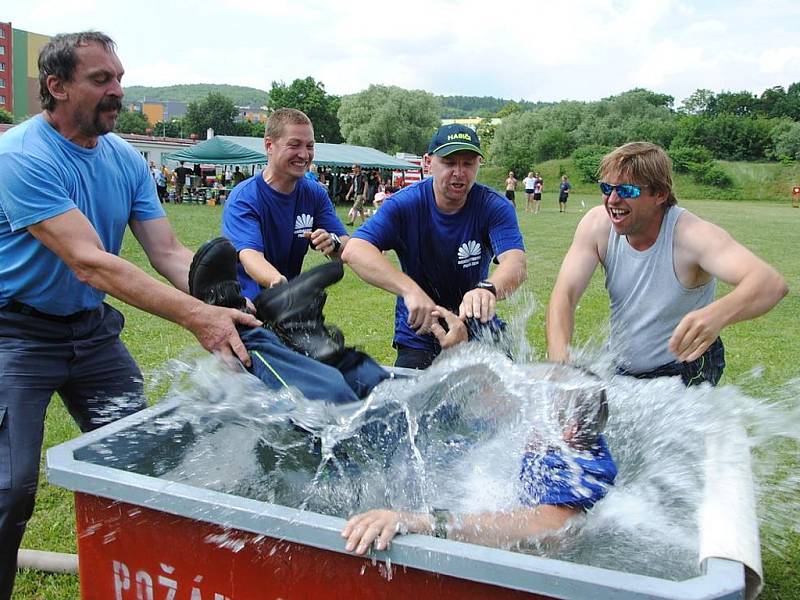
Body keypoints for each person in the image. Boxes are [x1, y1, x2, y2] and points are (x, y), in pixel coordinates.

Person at [0, 31, 259, 600]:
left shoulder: (123, 157)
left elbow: (167, 252)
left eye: (119, 77)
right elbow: (91, 262)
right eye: (101, 81)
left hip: (91, 333)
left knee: (142, 459)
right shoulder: (20, 156)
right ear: (56, 85)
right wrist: (196, 318)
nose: (117, 90)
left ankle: (137, 580)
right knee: (11, 489)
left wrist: (227, 304)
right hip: (15, 336)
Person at [546, 141, 788, 386]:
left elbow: (769, 284)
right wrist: (561, 364)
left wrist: (717, 315)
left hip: (687, 366)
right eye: (607, 188)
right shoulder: (597, 225)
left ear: (660, 194)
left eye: (627, 191)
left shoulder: (691, 235)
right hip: (622, 366)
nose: (612, 199)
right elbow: (564, 295)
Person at [341, 362, 616, 555]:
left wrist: (423, 522)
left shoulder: (573, 473)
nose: (530, 414)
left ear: (568, 431)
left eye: (539, 408)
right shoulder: (573, 441)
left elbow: (550, 525)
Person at [341, 124, 527, 370]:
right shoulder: (404, 205)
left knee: (506, 401)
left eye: (468, 163)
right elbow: (355, 250)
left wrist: (487, 290)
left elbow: (515, 263)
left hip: (478, 325)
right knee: (417, 404)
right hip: (420, 330)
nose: (459, 172)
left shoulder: (494, 206)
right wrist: (410, 291)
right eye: (449, 162)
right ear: (429, 163)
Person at [221, 108, 349, 298]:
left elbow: (346, 245)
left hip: (287, 305)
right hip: (246, 306)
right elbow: (250, 256)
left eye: (309, 146)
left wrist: (334, 242)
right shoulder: (245, 198)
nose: (304, 155)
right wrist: (279, 283)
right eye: (294, 145)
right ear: (269, 145)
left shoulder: (314, 194)